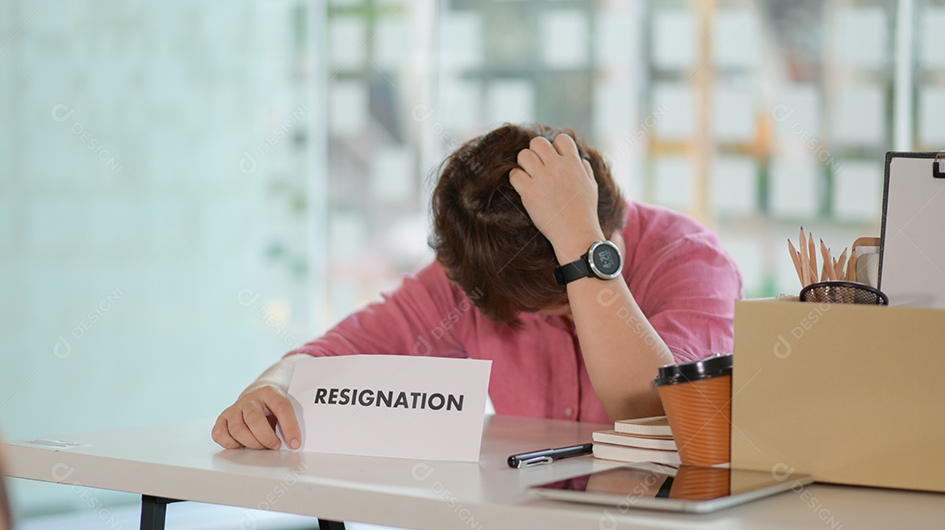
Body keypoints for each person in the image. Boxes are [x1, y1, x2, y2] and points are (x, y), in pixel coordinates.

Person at [213, 123, 742, 450]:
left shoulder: (690, 261)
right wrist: (271, 389)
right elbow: (333, 356)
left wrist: (581, 250)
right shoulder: (479, 269)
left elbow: (659, 410)